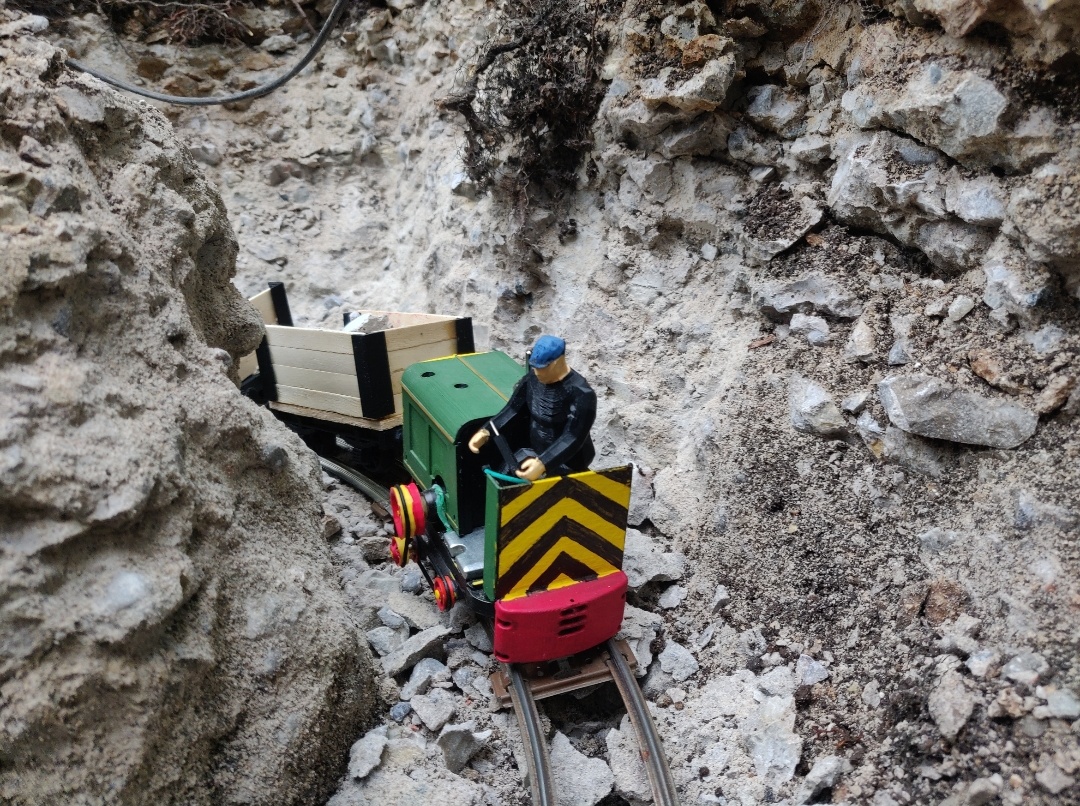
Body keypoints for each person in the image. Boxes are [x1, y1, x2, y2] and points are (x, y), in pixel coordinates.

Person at [468, 335, 596, 481]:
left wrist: (543, 464)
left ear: (556, 363)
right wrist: (487, 430)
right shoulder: (533, 378)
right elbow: (512, 409)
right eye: (535, 368)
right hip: (534, 452)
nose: (537, 372)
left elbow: (573, 436)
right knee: (503, 477)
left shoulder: (581, 393)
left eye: (542, 368)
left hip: (569, 462)